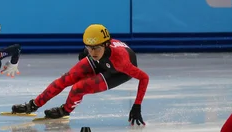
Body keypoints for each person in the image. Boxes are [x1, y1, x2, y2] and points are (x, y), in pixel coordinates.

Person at [11, 24, 150, 122]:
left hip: (118, 72)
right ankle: (33, 105)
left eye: (96, 48)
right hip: (103, 61)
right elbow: (91, 51)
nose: (92, 52)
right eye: (89, 48)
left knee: (79, 88)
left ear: (106, 45)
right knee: (65, 79)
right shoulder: (93, 51)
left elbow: (144, 77)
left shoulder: (121, 61)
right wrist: (87, 53)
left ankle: (65, 110)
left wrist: (137, 105)